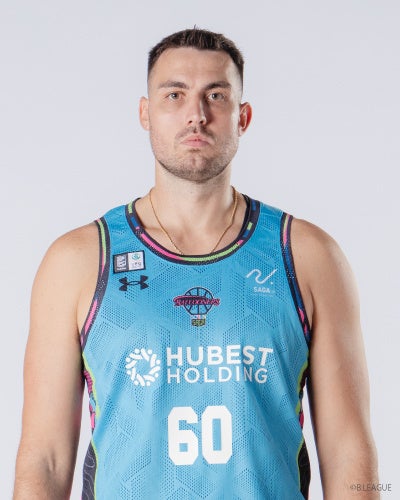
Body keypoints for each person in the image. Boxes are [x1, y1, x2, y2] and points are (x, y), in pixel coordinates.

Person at [14, 28, 379, 499]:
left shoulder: (307, 256)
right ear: (145, 112)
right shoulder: (79, 261)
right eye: (175, 94)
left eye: (216, 95)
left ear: (243, 117)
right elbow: (44, 459)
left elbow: (349, 452)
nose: (196, 115)